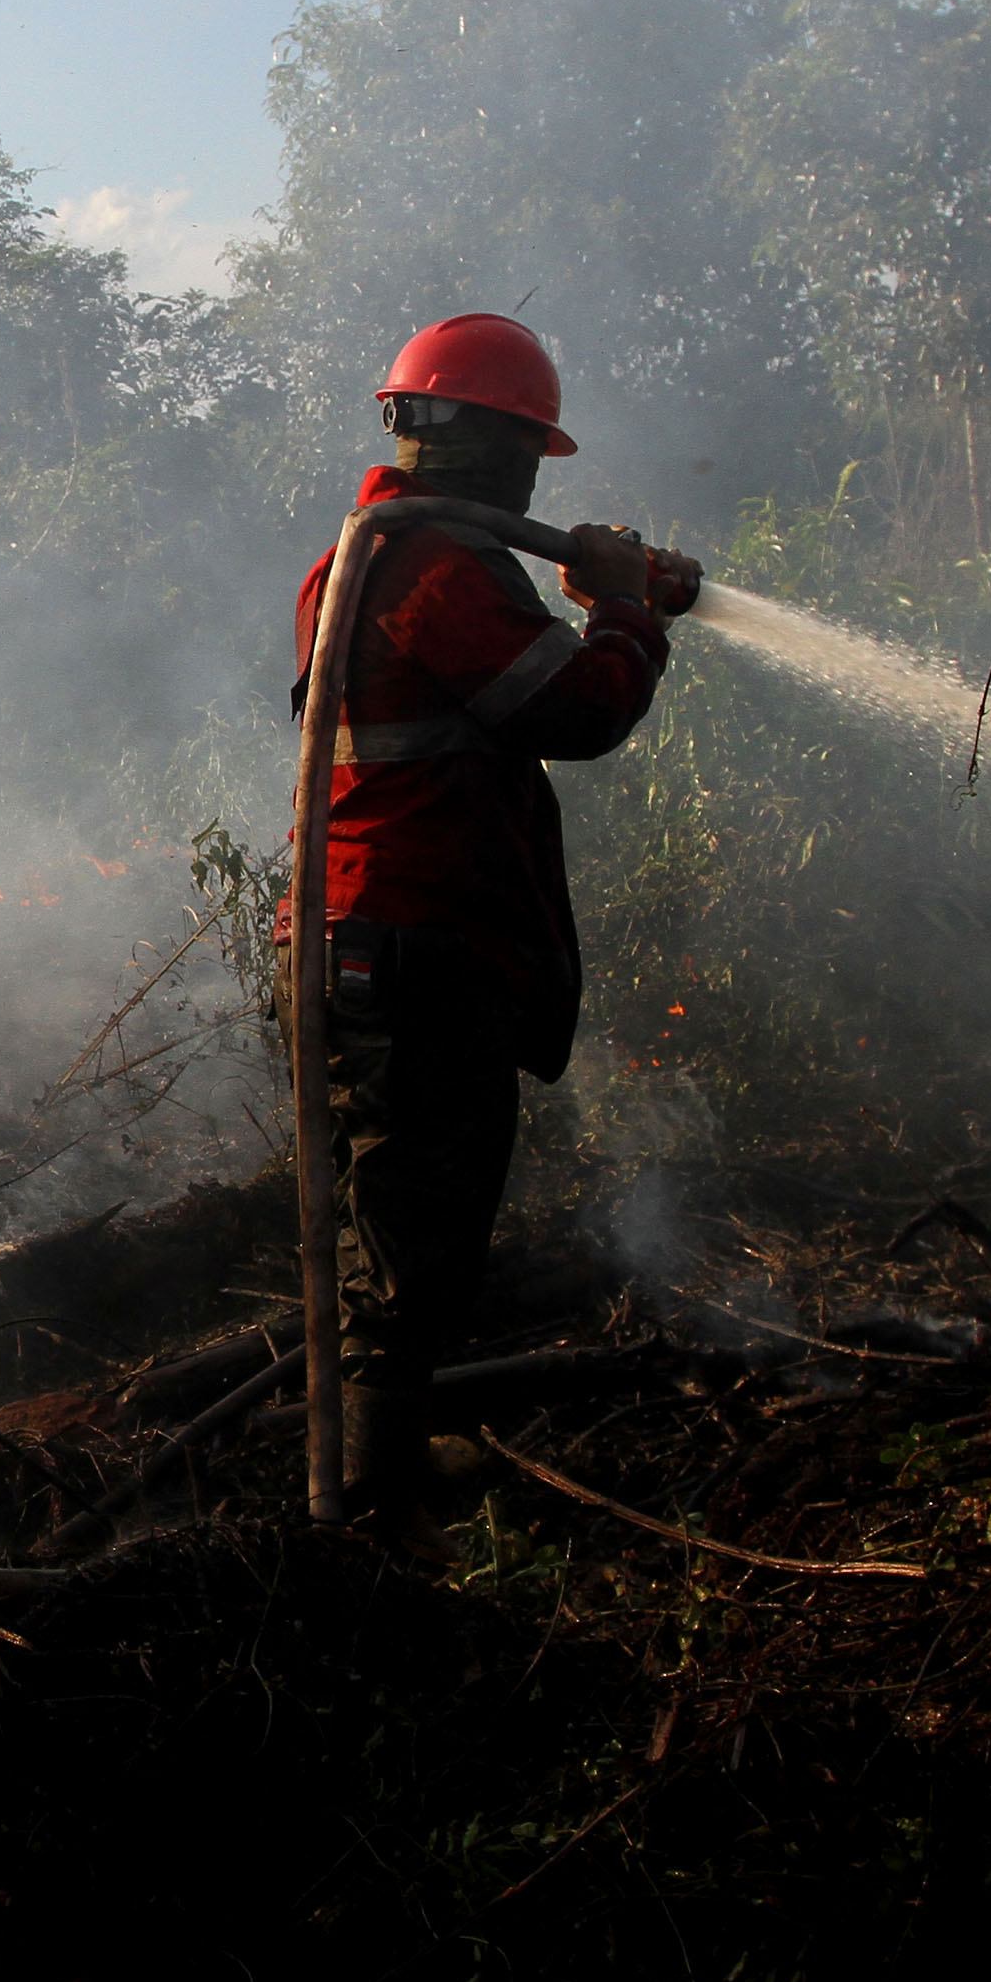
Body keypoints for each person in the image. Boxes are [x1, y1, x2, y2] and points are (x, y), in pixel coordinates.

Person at [282, 313, 699, 1532]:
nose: (531, 480)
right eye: (524, 450)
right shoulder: (426, 567)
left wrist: (603, 596)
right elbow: (572, 712)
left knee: (408, 1225)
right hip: (407, 950)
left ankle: (371, 1469)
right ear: (479, 442)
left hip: (376, 942)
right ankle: (367, 1503)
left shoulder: (372, 554)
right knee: (411, 1234)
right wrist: (621, 617)